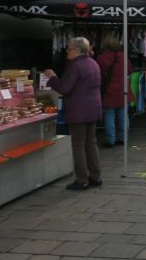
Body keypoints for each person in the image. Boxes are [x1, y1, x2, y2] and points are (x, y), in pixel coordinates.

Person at [44, 37, 102, 190]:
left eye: (69, 49)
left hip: (78, 111)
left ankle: (82, 179)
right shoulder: (93, 63)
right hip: (93, 109)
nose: (66, 51)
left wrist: (52, 77)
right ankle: (95, 176)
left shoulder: (74, 66)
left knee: (78, 145)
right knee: (91, 143)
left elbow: (65, 88)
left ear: (77, 50)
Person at [96, 37, 133, 148]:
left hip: (108, 91)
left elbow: (98, 74)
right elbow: (130, 70)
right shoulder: (123, 57)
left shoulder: (101, 58)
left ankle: (110, 140)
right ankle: (123, 138)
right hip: (123, 91)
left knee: (109, 116)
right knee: (123, 116)